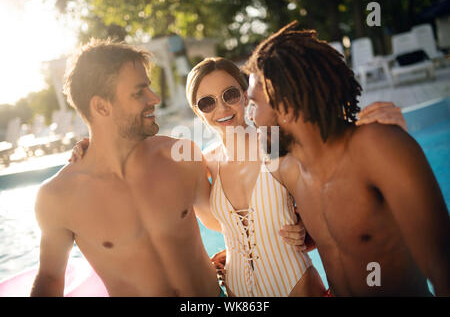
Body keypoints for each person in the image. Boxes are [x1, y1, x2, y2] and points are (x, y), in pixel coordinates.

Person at [72, 55, 407, 296]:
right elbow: (139, 151)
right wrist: (94, 144)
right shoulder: (201, 163)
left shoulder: (275, 143)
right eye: (207, 102)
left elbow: (334, 178)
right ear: (197, 112)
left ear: (245, 93)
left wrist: (372, 130)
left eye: (230, 95)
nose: (222, 108)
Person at [243, 21, 450, 296]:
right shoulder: (286, 169)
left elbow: (442, 266)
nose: (250, 117)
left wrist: (397, 143)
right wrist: (310, 233)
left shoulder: (377, 148)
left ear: (288, 110)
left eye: (254, 104)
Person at [31, 39, 221, 297]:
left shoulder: (181, 155)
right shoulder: (58, 197)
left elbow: (224, 221)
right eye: (139, 92)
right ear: (101, 106)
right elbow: (51, 279)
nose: (154, 98)